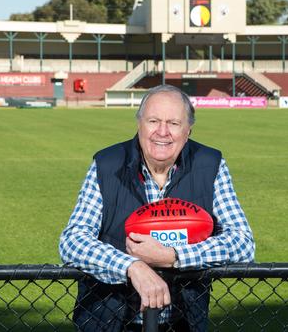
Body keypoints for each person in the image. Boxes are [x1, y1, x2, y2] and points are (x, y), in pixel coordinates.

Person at [59, 85, 255, 331]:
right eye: (153, 121)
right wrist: (131, 267)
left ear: (188, 130)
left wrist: (174, 257)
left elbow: (243, 242)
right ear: (139, 123)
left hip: (183, 323)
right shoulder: (106, 164)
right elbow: (73, 241)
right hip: (108, 323)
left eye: (173, 123)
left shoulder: (211, 164)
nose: (162, 132)